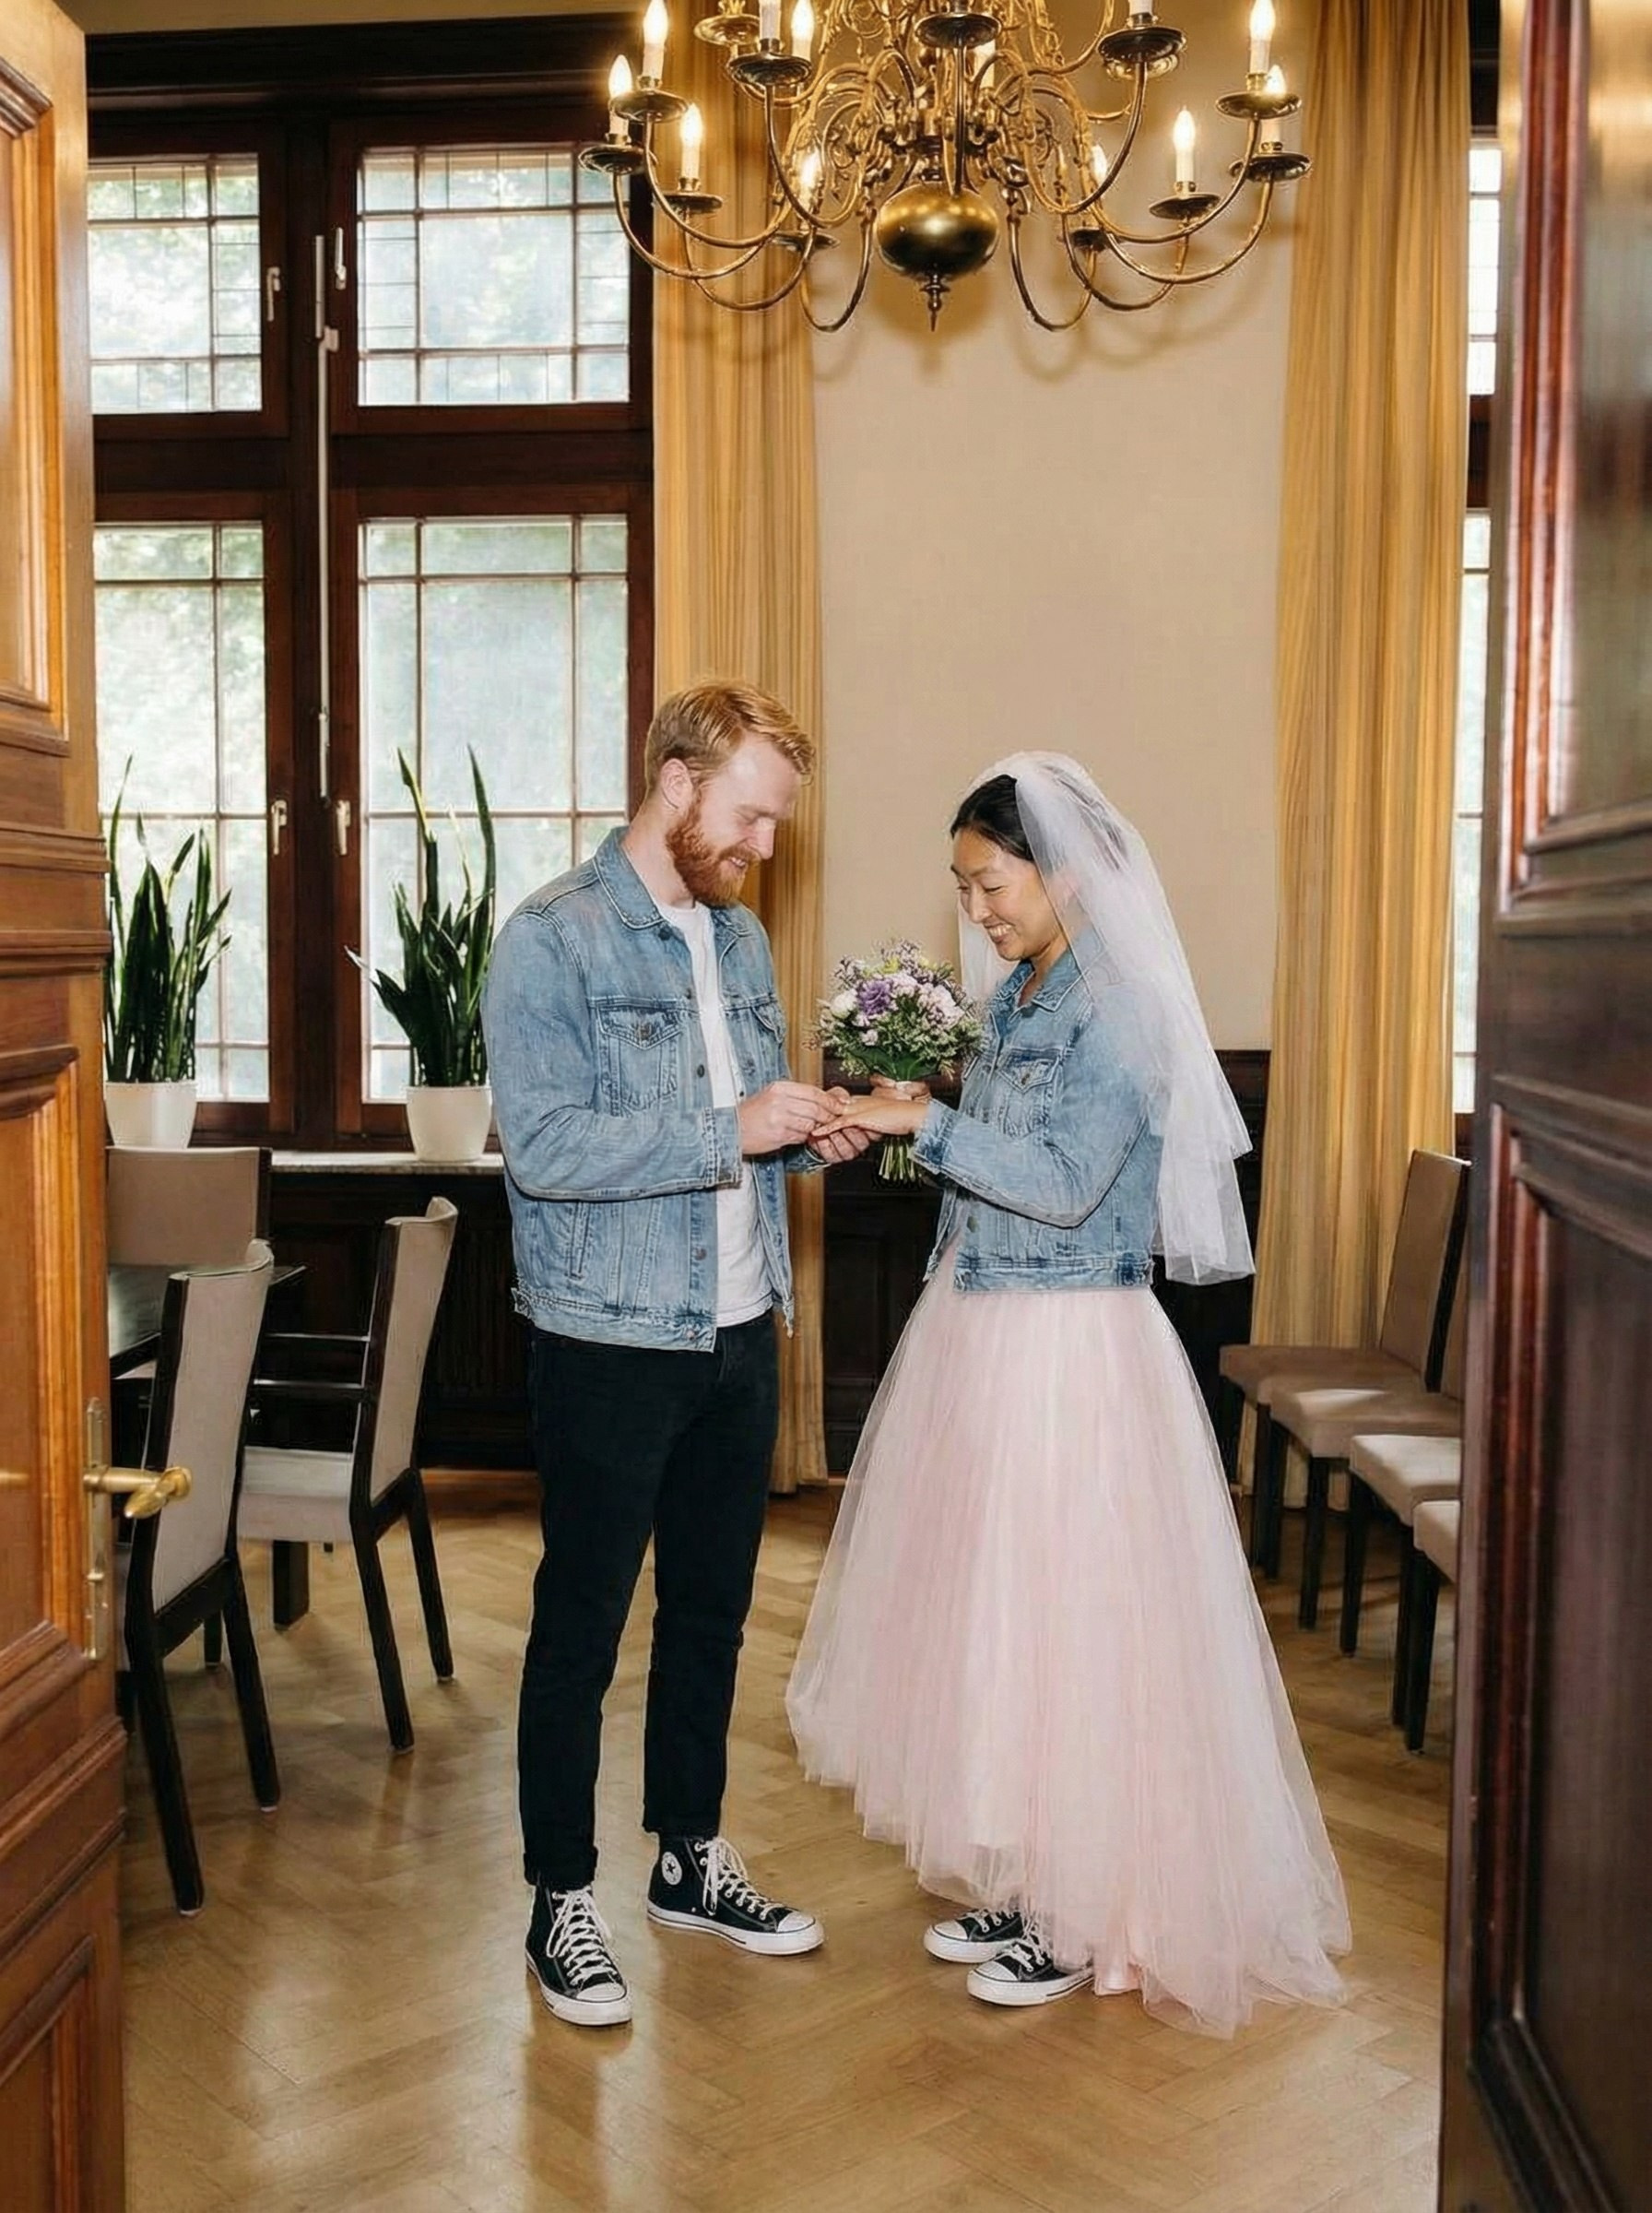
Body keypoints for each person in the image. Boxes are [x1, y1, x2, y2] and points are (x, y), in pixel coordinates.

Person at [789, 753, 1350, 2033]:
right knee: (1002, 1621)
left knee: (1076, 1624)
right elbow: (996, 1162)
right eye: (964, 889)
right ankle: (1033, 1875)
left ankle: (1095, 1909)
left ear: (1060, 867)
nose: (977, 909)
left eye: (991, 883)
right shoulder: (1027, 992)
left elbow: (1065, 1183)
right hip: (986, 1334)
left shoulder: (1124, 1008)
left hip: (1076, 1354)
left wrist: (914, 1127)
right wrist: (911, 1104)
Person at [485, 680, 868, 2029]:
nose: (765, 846)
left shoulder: (746, 944)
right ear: (677, 780)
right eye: (753, 816)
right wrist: (732, 1130)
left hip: (740, 1328)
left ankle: (689, 1858)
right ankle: (558, 1897)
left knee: (711, 1613)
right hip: (608, 1337)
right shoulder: (550, 939)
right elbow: (543, 1150)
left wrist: (800, 1130)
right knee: (582, 1625)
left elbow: (749, 1126)